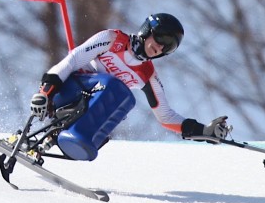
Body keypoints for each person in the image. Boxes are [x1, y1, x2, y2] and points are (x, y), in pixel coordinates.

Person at [28, 13, 231, 143]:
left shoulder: (147, 74)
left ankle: (77, 140)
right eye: (161, 38)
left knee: (125, 100)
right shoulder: (112, 40)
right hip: (65, 94)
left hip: (89, 111)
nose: (160, 47)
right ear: (147, 31)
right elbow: (72, 60)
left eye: (168, 46)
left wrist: (203, 130)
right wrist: (45, 92)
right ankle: (76, 137)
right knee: (116, 87)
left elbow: (166, 117)